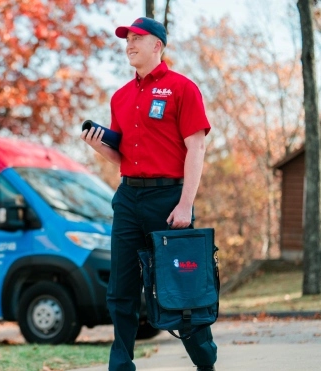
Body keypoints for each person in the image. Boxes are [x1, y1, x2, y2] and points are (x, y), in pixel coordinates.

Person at [80, 17, 217, 371]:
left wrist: (186, 203)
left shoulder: (183, 88)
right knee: (121, 291)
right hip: (128, 198)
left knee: (182, 289)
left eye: (137, 38)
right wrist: (101, 147)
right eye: (127, 39)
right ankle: (121, 366)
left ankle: (205, 360)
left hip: (169, 200)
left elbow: (196, 149)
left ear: (157, 45)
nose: (129, 44)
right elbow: (122, 156)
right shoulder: (121, 97)